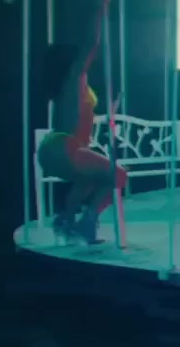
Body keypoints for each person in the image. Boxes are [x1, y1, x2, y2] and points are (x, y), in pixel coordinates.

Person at [36, 40, 127, 244]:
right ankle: (87, 221)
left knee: (91, 179)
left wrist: (111, 111)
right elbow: (90, 45)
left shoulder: (70, 86)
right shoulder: (74, 79)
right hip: (65, 146)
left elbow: (83, 114)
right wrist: (99, 19)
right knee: (119, 175)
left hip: (57, 148)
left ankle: (68, 219)